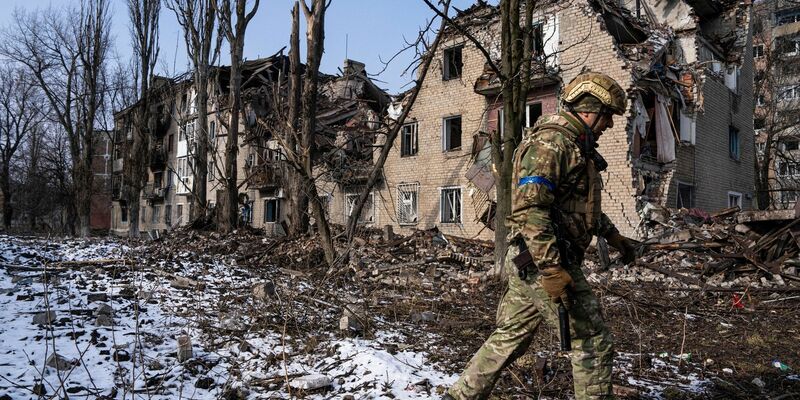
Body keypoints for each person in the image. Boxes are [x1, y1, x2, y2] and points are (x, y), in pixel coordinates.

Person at [444, 71, 638, 400]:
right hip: (542, 259)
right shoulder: (552, 143)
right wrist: (551, 269)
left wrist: (615, 236)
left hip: (532, 259)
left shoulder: (575, 146)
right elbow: (531, 210)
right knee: (592, 342)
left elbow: (579, 206)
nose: (609, 125)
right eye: (607, 117)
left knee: (510, 336)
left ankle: (459, 396)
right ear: (589, 111)